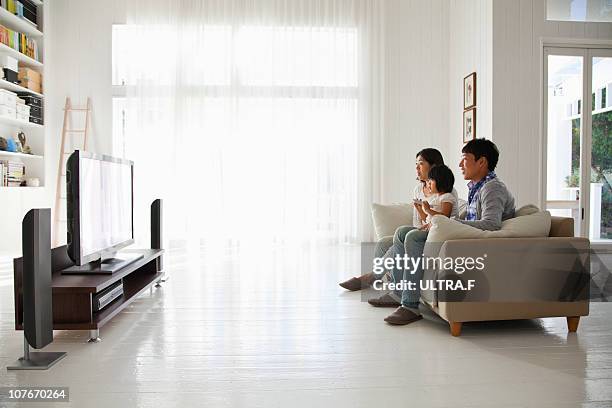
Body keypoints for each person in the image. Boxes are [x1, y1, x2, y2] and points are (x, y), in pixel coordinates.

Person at [382, 138, 516, 325]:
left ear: (482, 162)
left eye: (465, 159)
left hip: (471, 242)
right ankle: (399, 293)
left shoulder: (492, 188)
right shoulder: (478, 186)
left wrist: (451, 222)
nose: (460, 164)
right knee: (402, 232)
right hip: (463, 235)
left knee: (412, 237)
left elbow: (491, 225)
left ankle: (409, 304)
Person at [338, 149, 455, 304]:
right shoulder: (418, 189)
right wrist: (421, 220)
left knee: (398, 239)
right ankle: (390, 287)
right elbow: (417, 219)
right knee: (383, 243)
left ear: (434, 166)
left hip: (435, 233)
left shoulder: (448, 191)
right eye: (416, 164)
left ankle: (373, 277)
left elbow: (448, 218)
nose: (417, 168)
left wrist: (426, 220)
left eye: (421, 164)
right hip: (421, 229)